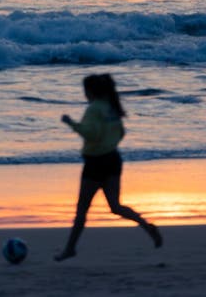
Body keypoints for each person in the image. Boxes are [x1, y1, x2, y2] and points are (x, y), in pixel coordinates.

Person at [55, 73, 162, 261]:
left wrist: (70, 122)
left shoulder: (94, 109)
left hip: (96, 163)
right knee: (115, 206)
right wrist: (108, 145)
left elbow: (91, 134)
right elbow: (121, 132)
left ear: (90, 91)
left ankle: (70, 248)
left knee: (82, 209)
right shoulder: (111, 108)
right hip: (113, 159)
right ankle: (146, 225)